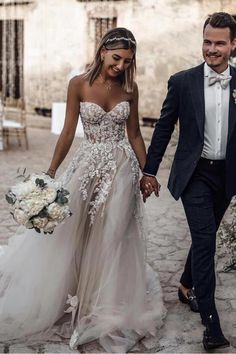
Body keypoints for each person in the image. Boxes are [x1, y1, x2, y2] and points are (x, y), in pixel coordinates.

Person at [0, 28, 165, 353]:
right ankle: (71, 293)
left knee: (113, 235)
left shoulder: (130, 88)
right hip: (86, 167)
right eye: (116, 58)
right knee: (77, 232)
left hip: (121, 170)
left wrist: (148, 172)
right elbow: (67, 132)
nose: (120, 66)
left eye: (127, 61)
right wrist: (49, 173)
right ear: (102, 50)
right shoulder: (78, 83)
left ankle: (99, 304)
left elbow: (134, 135)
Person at [140, 12, 236, 351]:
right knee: (206, 240)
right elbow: (164, 127)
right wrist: (149, 170)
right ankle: (211, 323)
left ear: (233, 45)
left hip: (227, 175)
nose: (211, 49)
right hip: (194, 174)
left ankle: (184, 284)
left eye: (219, 43)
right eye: (207, 41)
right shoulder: (182, 81)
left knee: (204, 233)